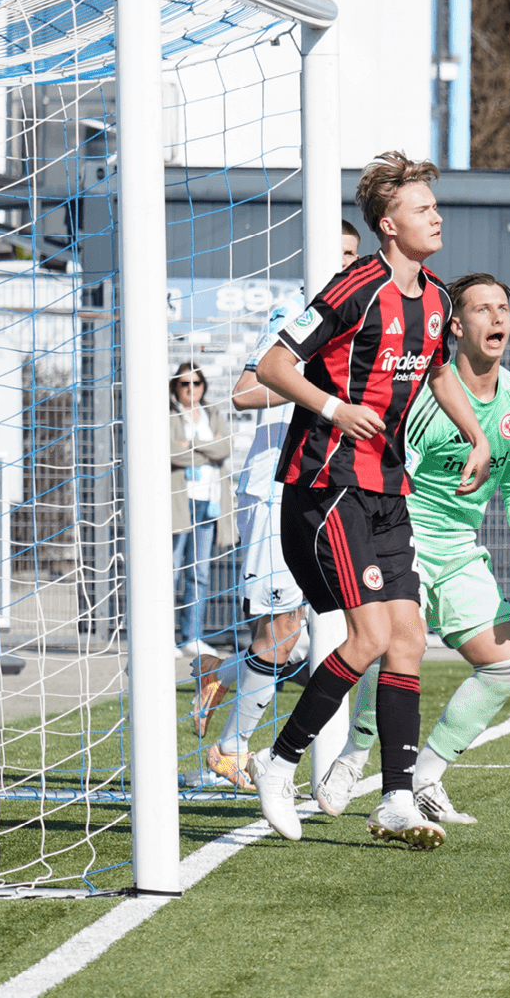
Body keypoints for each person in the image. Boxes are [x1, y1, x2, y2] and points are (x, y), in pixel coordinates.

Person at [248, 151, 491, 850]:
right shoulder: (355, 287)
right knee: (370, 637)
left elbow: (442, 371)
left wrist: (474, 433)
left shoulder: (440, 299)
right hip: (327, 485)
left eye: (435, 207)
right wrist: (334, 407)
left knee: (410, 639)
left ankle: (393, 801)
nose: (436, 216)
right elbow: (273, 365)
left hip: (387, 488)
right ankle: (279, 759)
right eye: (422, 209)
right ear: (388, 224)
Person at [314, 273, 510, 826]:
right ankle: (354, 756)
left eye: (504, 307)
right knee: (404, 645)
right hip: (406, 535)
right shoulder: (428, 398)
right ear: (455, 325)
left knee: (506, 665)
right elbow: (390, 471)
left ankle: (426, 776)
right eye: (482, 309)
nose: (497, 318)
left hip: (460, 549)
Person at [180, 226, 364, 790]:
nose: (346, 262)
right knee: (283, 632)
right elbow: (244, 390)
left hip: (335, 486)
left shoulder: (363, 314)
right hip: (280, 487)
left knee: (330, 635)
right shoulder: (295, 309)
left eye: (354, 255)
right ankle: (232, 749)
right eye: (337, 252)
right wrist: (313, 384)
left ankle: (221, 672)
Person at [169, 362, 234, 660]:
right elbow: (171, 451)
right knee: (169, 572)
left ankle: (191, 638)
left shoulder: (212, 413)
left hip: (209, 503)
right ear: (176, 387)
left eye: (196, 383)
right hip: (180, 503)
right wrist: (206, 447)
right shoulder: (169, 414)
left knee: (200, 573)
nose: (191, 389)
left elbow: (224, 449)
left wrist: (193, 443)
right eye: (185, 384)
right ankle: (163, 636)